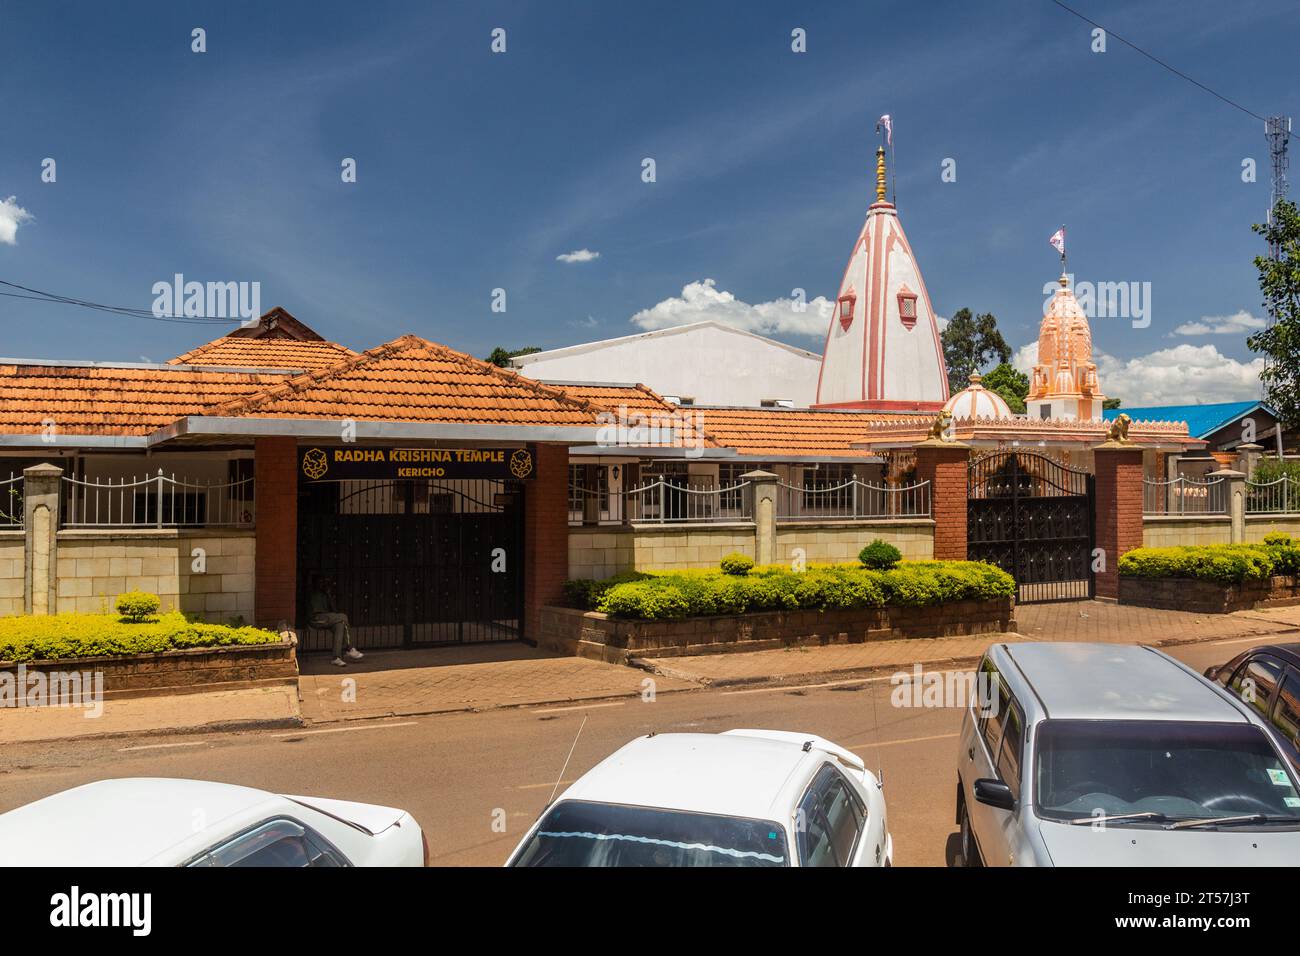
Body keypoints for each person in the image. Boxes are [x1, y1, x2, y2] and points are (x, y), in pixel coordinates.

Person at [308, 576, 364, 667]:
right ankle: (350, 648)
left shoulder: (325, 594)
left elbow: (334, 610)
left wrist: (329, 595)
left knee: (340, 624)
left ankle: (336, 658)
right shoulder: (312, 593)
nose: (324, 585)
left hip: (326, 618)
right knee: (343, 617)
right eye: (321, 582)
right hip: (316, 619)